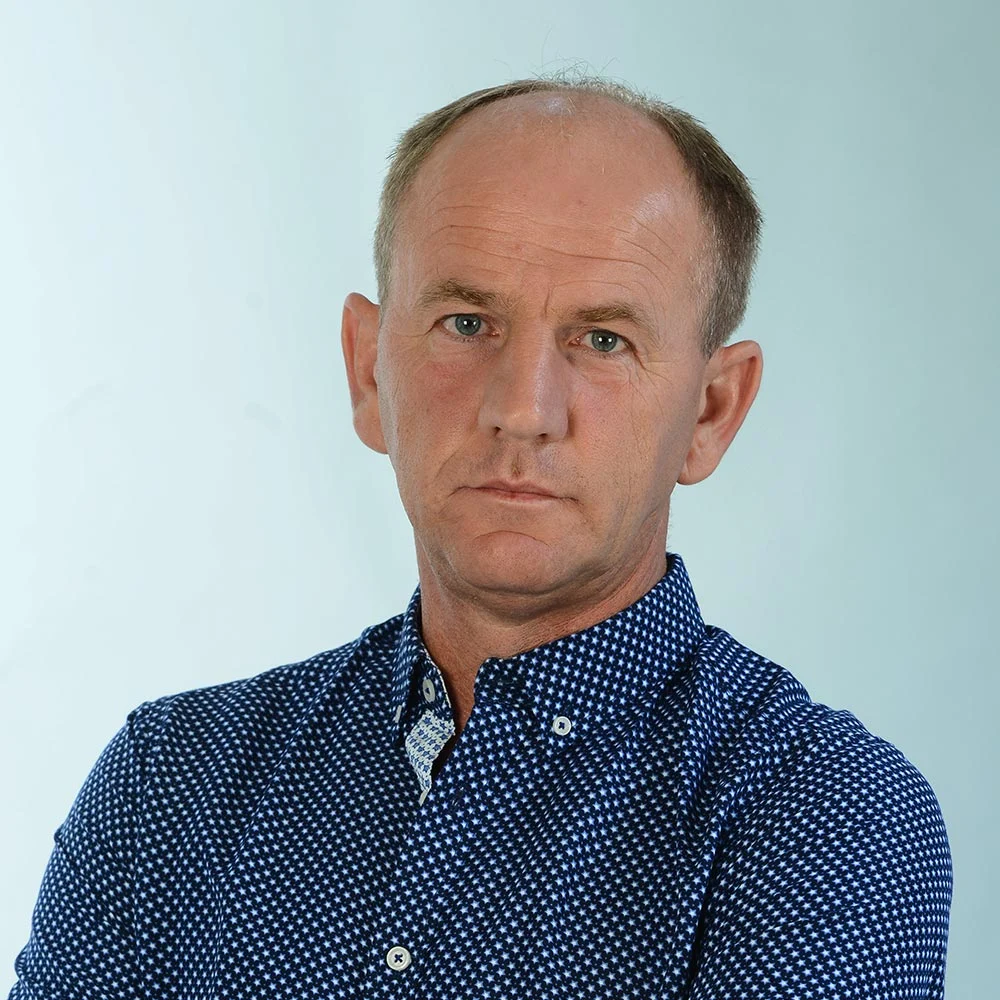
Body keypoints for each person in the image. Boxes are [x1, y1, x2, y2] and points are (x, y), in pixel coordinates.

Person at [8, 76, 952, 1000]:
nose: (524, 409)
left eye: (603, 340)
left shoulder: (828, 816)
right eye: (468, 323)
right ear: (368, 372)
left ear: (711, 411)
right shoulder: (172, 783)